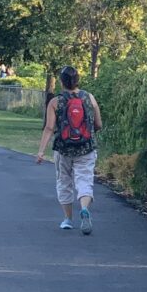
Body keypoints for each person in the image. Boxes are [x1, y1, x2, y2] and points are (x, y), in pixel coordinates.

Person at [36, 66, 102, 235]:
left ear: (61, 82)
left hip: (63, 149)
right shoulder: (89, 98)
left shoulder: (55, 102)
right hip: (86, 148)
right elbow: (98, 124)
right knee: (84, 181)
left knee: (64, 182)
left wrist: (41, 151)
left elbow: (49, 128)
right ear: (77, 80)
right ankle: (84, 209)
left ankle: (67, 219)